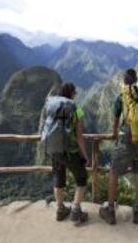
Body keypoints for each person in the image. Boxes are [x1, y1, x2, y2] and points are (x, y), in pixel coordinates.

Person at [99, 68, 138, 225]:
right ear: (137, 80)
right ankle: (137, 212)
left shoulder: (122, 97)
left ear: (125, 82)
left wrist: (113, 134)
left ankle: (110, 210)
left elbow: (115, 120)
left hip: (127, 138)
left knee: (113, 172)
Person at [42, 82, 90, 224]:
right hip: (70, 151)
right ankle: (76, 211)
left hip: (54, 148)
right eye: (75, 92)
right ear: (71, 93)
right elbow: (79, 137)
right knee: (81, 178)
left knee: (58, 177)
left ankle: (60, 209)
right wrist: (85, 156)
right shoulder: (77, 109)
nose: (76, 94)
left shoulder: (52, 105)